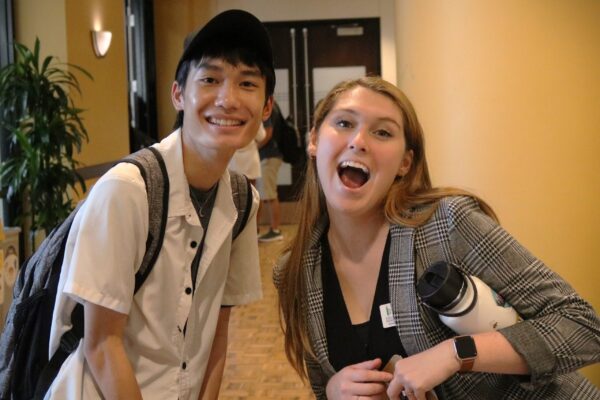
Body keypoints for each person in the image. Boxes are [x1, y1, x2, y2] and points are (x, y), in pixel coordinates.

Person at [274, 76, 600, 399]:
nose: (359, 140)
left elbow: (582, 327)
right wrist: (332, 390)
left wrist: (456, 354)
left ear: (405, 163)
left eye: (383, 132)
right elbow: (321, 381)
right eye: (344, 123)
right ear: (314, 140)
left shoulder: (446, 224)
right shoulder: (295, 271)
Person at [45, 9, 274, 400]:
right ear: (179, 94)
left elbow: (218, 336)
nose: (228, 99)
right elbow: (102, 346)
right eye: (210, 79)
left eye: (247, 83)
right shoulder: (126, 190)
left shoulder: (241, 201)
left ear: (267, 107)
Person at [257, 100, 285, 242]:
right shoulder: (275, 105)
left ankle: (275, 230)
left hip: (268, 155)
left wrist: (252, 149)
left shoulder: (267, 106)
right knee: (265, 194)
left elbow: (268, 132)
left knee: (269, 195)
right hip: (272, 154)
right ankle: (267, 229)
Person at [228, 123, 266, 187]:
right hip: (250, 157)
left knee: (232, 190)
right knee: (251, 190)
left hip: (233, 157)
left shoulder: (230, 115)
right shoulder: (255, 115)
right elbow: (261, 136)